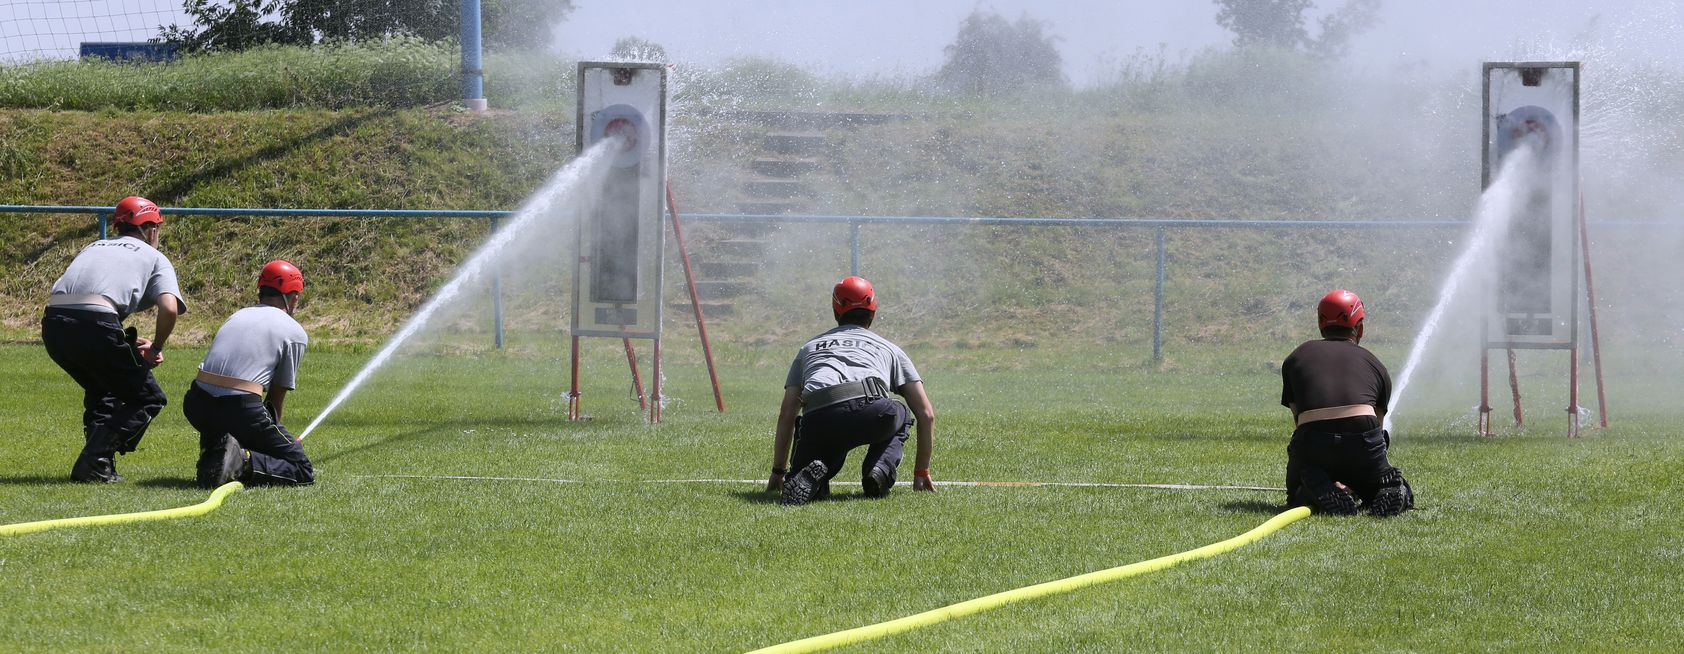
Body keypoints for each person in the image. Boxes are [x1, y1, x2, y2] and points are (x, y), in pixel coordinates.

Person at [42, 196, 186, 483]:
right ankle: (94, 460)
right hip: (97, 324)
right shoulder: (154, 256)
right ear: (150, 229)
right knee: (147, 398)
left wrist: (116, 338)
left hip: (54, 325)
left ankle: (99, 466)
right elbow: (169, 308)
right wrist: (156, 347)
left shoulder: (93, 246)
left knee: (104, 389)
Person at [767, 276, 936, 505]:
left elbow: (787, 413)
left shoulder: (809, 347)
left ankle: (811, 478)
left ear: (836, 312)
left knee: (821, 448)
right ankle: (879, 471)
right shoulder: (890, 348)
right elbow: (926, 414)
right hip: (870, 411)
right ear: (873, 312)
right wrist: (921, 472)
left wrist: (778, 471)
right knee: (901, 412)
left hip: (819, 417)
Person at [1280, 289, 1414, 516]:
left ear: (1320, 323)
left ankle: (1314, 488)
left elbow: (1299, 420)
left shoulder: (1297, 357)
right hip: (1363, 443)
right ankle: (1387, 488)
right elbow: (1378, 429)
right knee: (1377, 482)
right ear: (1359, 328)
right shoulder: (1374, 363)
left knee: (1297, 491)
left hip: (1314, 441)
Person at [187, 260, 315, 489]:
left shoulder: (237, 315)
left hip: (196, 404)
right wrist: (272, 444)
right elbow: (275, 398)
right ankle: (241, 462)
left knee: (227, 420)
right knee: (302, 468)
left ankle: (214, 455)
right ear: (294, 297)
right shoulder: (294, 332)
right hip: (239, 409)